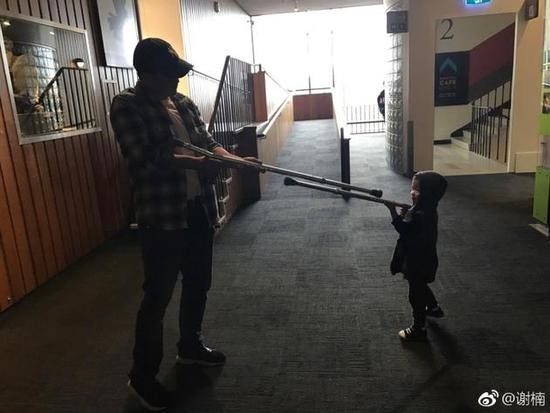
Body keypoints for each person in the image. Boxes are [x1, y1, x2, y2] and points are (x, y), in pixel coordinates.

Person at [110, 38, 260, 411]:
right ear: (147, 74)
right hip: (162, 216)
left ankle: (190, 346)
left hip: (197, 208)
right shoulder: (127, 105)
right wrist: (199, 164)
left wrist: (236, 160)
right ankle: (142, 376)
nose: (176, 81)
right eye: (169, 74)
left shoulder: (183, 103)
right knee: (157, 296)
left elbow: (206, 143)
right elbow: (145, 156)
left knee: (197, 282)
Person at [385, 171, 447, 342]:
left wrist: (393, 212)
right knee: (420, 285)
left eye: (418, 190)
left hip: (417, 262)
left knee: (416, 294)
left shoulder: (421, 215)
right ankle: (433, 308)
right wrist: (407, 214)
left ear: (428, 194)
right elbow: (411, 224)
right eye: (412, 188)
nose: (412, 192)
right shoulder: (426, 209)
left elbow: (404, 229)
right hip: (423, 259)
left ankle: (418, 328)